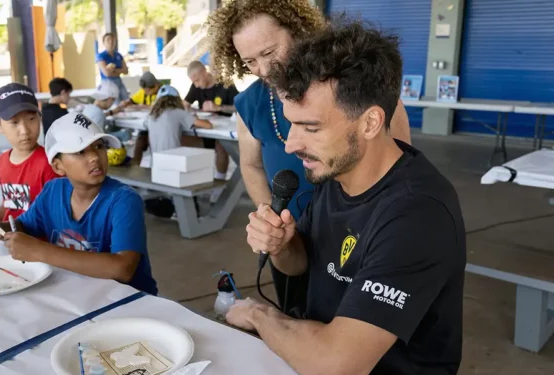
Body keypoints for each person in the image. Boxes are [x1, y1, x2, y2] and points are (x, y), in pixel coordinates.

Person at [228, 21, 465, 374]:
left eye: (310, 127)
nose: (291, 145)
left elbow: (335, 364)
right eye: (292, 124)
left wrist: (261, 315)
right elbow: (300, 266)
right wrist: (281, 246)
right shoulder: (334, 175)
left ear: (369, 123)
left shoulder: (417, 215)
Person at [207, 0, 412, 221]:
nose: (264, 69)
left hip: (360, 229)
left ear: (297, 31)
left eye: (269, 52)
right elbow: (250, 166)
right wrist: (272, 222)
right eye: (250, 61)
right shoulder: (250, 104)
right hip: (292, 234)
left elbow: (400, 168)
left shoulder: (356, 87)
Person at [0, 112, 158, 295]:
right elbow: (23, 226)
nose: (94, 156)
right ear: (57, 167)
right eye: (80, 151)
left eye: (99, 146)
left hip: (128, 301)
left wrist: (40, 251)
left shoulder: (123, 200)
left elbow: (122, 269)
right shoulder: (53, 191)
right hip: (78, 294)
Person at [0, 83, 60, 222]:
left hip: (36, 243)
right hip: (13, 240)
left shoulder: (50, 164)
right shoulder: (3, 161)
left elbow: (56, 216)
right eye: (14, 122)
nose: (25, 130)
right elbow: (11, 204)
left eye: (31, 119)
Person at [183, 61, 236, 181]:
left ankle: (219, 180)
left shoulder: (225, 84)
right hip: (206, 126)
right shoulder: (196, 87)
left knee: (221, 144)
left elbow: (239, 107)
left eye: (197, 80)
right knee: (184, 140)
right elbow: (185, 104)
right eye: (193, 82)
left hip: (225, 127)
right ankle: (194, 179)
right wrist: (191, 110)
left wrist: (220, 108)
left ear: (204, 73)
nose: (196, 85)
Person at [145, 85, 212, 154]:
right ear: (177, 99)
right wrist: (203, 120)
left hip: (155, 160)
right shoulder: (178, 112)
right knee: (200, 142)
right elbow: (208, 126)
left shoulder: (151, 115)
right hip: (173, 157)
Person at [96, 32, 130, 102]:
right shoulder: (101, 56)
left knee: (126, 101)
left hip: (119, 81)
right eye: (108, 40)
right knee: (114, 103)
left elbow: (126, 71)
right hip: (108, 83)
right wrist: (120, 71)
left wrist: (114, 70)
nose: (111, 42)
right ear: (104, 42)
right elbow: (107, 73)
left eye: (112, 40)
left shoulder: (118, 55)